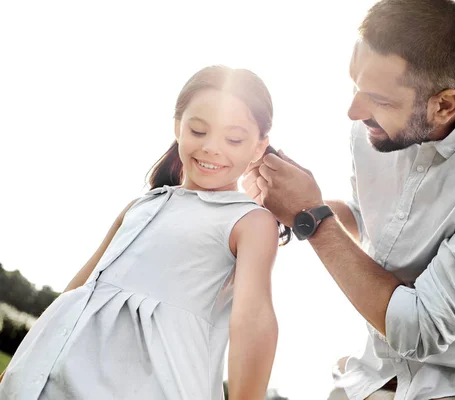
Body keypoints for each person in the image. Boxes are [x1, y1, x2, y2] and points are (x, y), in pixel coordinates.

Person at [242, 0, 455, 399]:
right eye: (355, 84)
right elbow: (370, 221)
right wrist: (287, 204)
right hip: (371, 379)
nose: (353, 111)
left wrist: (310, 216)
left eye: (379, 100)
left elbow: (421, 328)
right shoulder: (380, 126)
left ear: (444, 104)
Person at [0, 65, 284, 400]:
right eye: (198, 130)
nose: (211, 147)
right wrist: (25, 362)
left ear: (258, 145)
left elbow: (253, 321)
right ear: (178, 126)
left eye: (233, 139)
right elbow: (78, 289)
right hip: (50, 382)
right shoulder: (141, 206)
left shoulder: (249, 221)